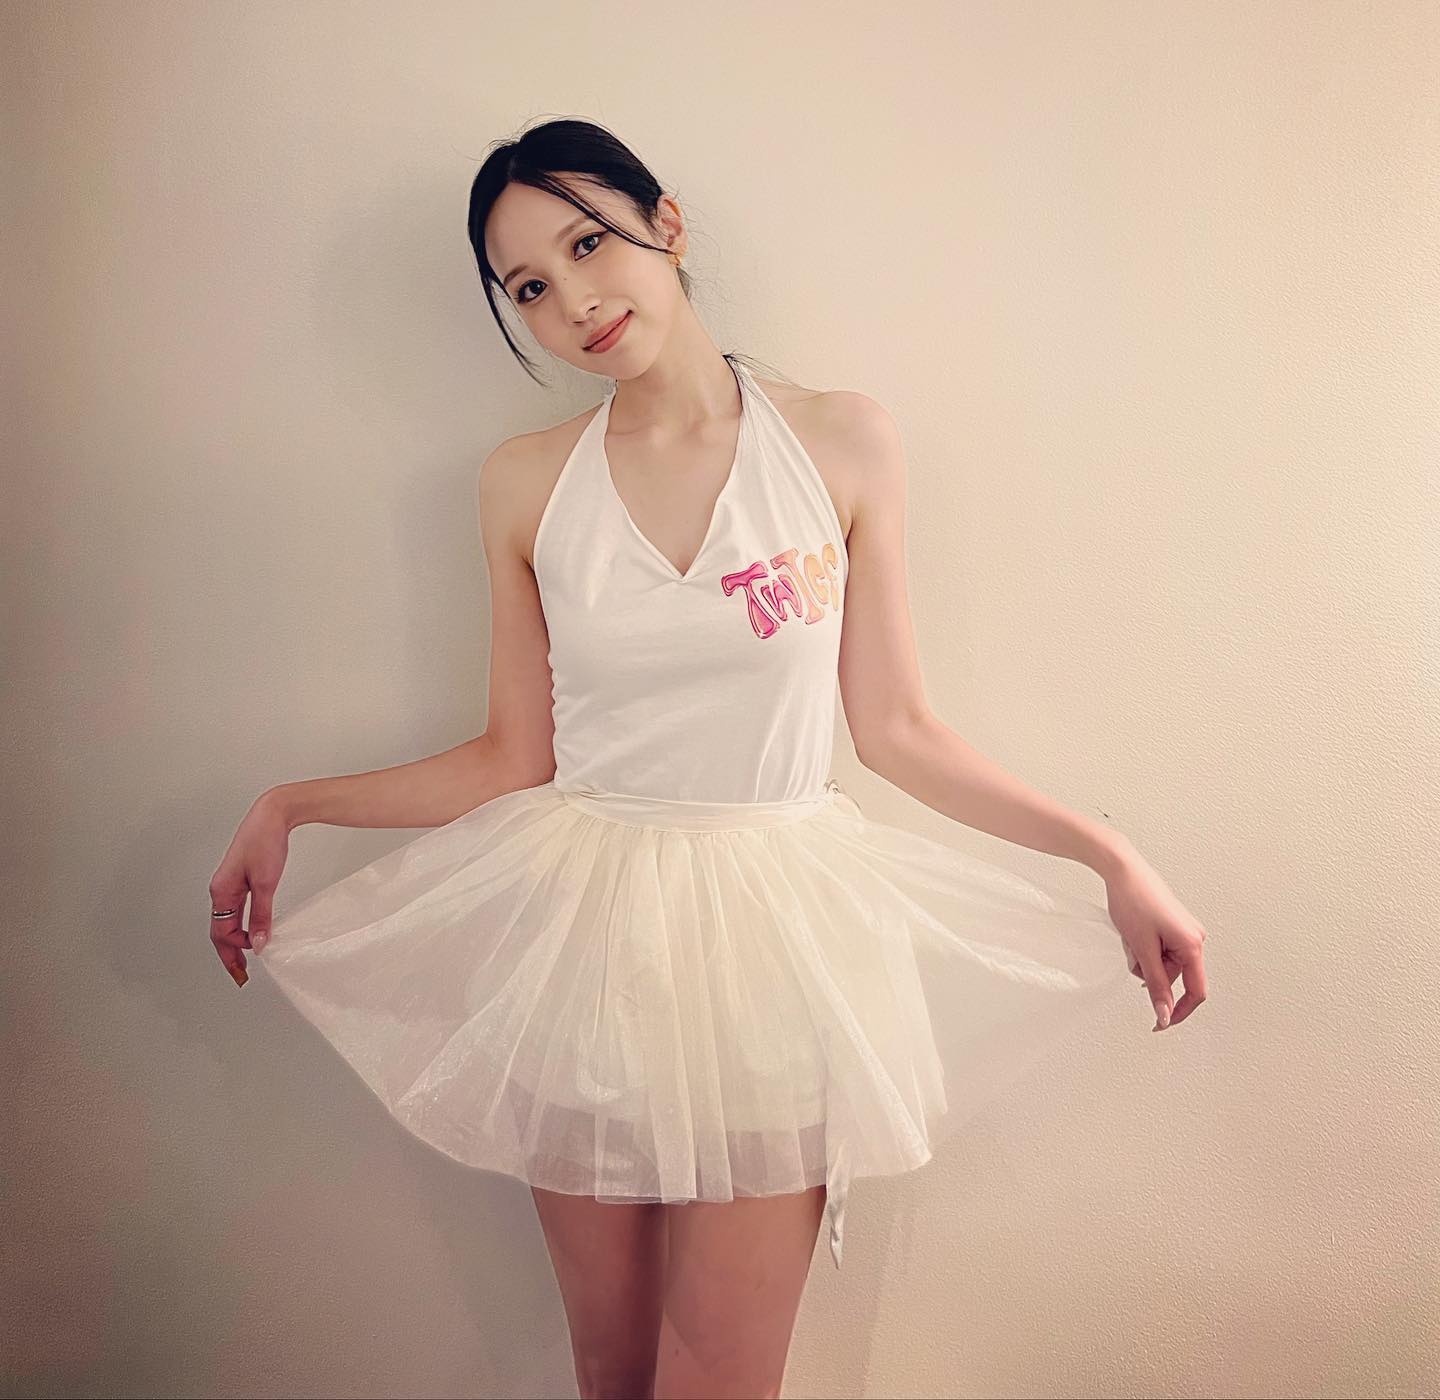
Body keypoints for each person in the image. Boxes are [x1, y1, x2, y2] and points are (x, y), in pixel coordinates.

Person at [208, 118, 1207, 1400]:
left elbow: (896, 729)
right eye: (530, 287)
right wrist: (292, 805)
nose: (573, 301)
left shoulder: (841, 442)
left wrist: (1108, 855)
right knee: (612, 1372)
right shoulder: (523, 484)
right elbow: (514, 757)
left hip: (773, 950)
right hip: (585, 948)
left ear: (666, 226)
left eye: (588, 245)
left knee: (718, 1381)